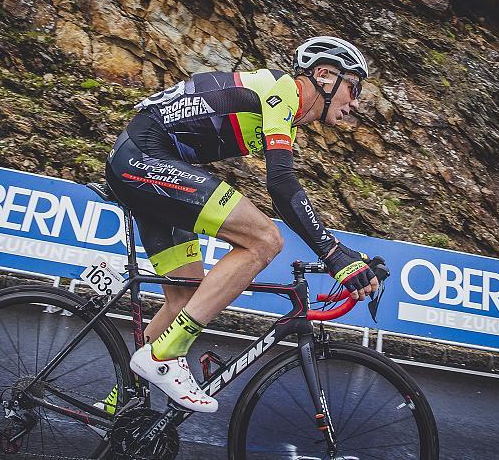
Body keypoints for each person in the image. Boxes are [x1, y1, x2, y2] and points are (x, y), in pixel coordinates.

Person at [102, 36, 379, 413]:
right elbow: (282, 187)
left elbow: (288, 190)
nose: (356, 102)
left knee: (187, 297)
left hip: (144, 160)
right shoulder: (282, 93)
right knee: (264, 239)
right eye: (354, 86)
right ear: (325, 75)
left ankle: (119, 407)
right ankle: (165, 355)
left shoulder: (285, 112)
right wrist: (334, 254)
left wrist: (341, 254)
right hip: (144, 157)